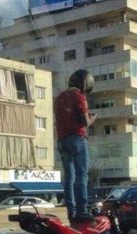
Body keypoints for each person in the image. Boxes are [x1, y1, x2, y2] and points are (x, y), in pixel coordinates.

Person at [54, 69, 97, 222]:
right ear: (85, 84)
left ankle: (71, 211)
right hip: (77, 138)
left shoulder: (59, 98)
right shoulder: (79, 97)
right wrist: (93, 119)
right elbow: (85, 122)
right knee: (81, 175)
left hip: (62, 140)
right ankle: (82, 211)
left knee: (69, 177)